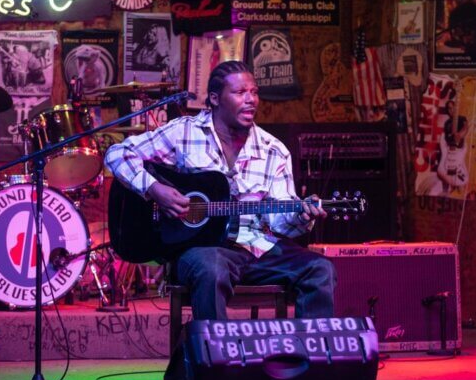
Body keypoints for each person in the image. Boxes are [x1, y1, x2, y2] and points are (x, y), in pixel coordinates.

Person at [104, 61, 335, 320]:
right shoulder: (184, 132)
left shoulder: (274, 150)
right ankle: (216, 356)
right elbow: (117, 153)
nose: (251, 100)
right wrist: (154, 189)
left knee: (320, 269)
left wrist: (301, 217)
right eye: (240, 93)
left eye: (254, 92)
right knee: (211, 268)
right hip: (202, 250)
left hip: (258, 248)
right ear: (215, 99)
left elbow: (280, 222)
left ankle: (312, 355)